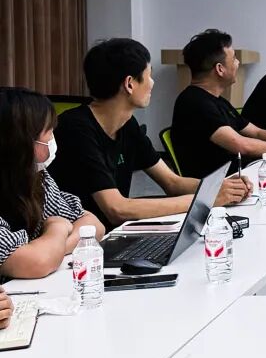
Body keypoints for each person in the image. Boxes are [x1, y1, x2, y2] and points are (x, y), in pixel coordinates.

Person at [50, 39, 252, 231]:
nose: (152, 83)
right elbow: (117, 209)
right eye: (149, 75)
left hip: (113, 233)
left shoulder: (127, 124)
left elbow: (172, 182)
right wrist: (206, 199)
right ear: (130, 84)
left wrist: (220, 187)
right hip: (79, 244)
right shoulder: (75, 129)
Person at [0, 87, 104, 279]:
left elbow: (93, 225)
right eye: (48, 132)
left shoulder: (36, 178)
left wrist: (53, 250)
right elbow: (37, 263)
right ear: (20, 142)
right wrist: (57, 227)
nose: (53, 139)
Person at [172, 30, 266, 179]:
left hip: (240, 175)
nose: (238, 63)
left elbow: (256, 132)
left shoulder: (217, 101)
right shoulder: (195, 102)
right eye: (234, 58)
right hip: (221, 185)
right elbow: (241, 145)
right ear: (220, 69)